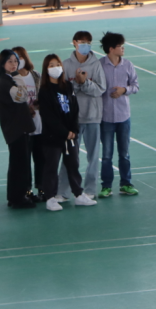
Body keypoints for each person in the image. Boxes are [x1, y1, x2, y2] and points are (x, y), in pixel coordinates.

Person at [37, 54, 96, 210]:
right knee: (51, 166)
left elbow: (74, 109)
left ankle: (78, 194)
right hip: (53, 137)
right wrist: (64, 132)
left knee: (73, 164)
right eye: (51, 65)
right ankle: (50, 198)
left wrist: (74, 130)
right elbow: (48, 116)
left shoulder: (68, 87)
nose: (55, 68)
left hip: (70, 136)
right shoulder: (44, 91)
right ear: (46, 69)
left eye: (57, 64)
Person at [59, 31, 106, 200]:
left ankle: (90, 190)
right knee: (69, 156)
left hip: (93, 116)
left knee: (93, 156)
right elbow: (63, 91)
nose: (85, 45)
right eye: (82, 42)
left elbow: (100, 89)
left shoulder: (96, 65)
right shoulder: (66, 65)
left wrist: (85, 83)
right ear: (74, 42)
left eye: (88, 42)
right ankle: (62, 191)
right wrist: (77, 84)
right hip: (73, 120)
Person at [98, 32, 139, 198]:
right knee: (106, 155)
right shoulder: (99, 65)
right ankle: (106, 186)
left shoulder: (128, 65)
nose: (123, 48)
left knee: (124, 153)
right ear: (111, 49)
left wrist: (124, 90)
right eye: (119, 46)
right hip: (106, 117)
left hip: (124, 117)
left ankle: (126, 184)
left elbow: (135, 86)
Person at [0, 49, 37, 209]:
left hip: (17, 129)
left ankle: (17, 195)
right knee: (19, 165)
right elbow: (22, 96)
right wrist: (19, 77)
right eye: (10, 61)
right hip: (15, 129)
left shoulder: (8, 80)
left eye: (15, 61)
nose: (14, 64)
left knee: (19, 163)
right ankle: (18, 198)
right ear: (2, 64)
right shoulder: (6, 83)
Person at [12, 46, 44, 201]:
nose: (18, 60)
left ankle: (42, 188)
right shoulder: (12, 79)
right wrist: (26, 109)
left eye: (20, 56)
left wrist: (39, 103)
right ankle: (27, 190)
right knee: (24, 161)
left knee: (41, 159)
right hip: (24, 127)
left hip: (39, 125)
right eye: (15, 57)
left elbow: (44, 95)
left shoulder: (36, 75)